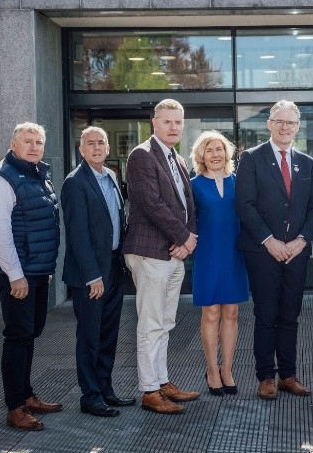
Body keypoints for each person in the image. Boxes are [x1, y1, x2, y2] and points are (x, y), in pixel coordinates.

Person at [235, 99, 313, 399]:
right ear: (270, 124)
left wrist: (301, 241)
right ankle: (265, 377)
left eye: (291, 123)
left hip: (296, 252)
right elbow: (244, 206)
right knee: (266, 314)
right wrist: (269, 241)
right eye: (280, 122)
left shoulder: (307, 163)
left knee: (290, 315)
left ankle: (288, 374)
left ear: (297, 127)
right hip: (262, 251)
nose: (285, 127)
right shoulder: (251, 158)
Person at [123, 99, 200, 414]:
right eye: (167, 121)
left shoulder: (178, 159)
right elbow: (151, 203)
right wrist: (183, 237)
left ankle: (163, 381)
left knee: (166, 323)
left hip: (174, 254)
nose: (173, 127)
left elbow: (188, 205)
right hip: (150, 251)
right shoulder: (142, 156)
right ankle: (150, 391)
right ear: (154, 123)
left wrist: (189, 239)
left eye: (178, 122)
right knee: (151, 323)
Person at [0, 122, 62, 431]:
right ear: (14, 145)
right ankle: (15, 407)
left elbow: (43, 226)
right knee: (18, 335)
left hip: (36, 270)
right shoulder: (1, 178)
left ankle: (27, 395)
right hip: (15, 271)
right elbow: (0, 232)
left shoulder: (39, 175)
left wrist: (45, 270)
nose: (33, 146)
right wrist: (15, 275)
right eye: (27, 141)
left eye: (38, 142)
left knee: (32, 331)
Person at [62, 127, 134, 417]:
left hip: (114, 268)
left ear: (106, 147)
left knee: (108, 335)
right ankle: (90, 396)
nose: (96, 147)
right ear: (81, 150)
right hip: (90, 276)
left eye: (101, 142)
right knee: (90, 337)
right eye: (90, 143)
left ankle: (105, 389)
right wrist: (93, 276)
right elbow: (77, 234)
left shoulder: (113, 177)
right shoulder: (75, 182)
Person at [189, 131, 249, 396]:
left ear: (227, 153)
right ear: (201, 155)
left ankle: (228, 370)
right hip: (208, 253)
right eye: (209, 150)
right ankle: (212, 370)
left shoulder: (240, 182)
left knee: (232, 313)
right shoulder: (193, 184)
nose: (215, 155)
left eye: (219, 149)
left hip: (235, 253)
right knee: (211, 313)